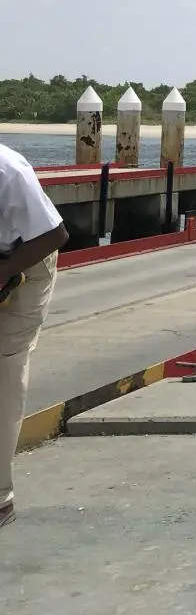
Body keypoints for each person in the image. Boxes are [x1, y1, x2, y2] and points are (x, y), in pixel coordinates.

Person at [0, 143, 68, 531]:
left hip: (30, 257)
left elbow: (55, 234)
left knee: (4, 371)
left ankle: (0, 499)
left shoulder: (8, 171)